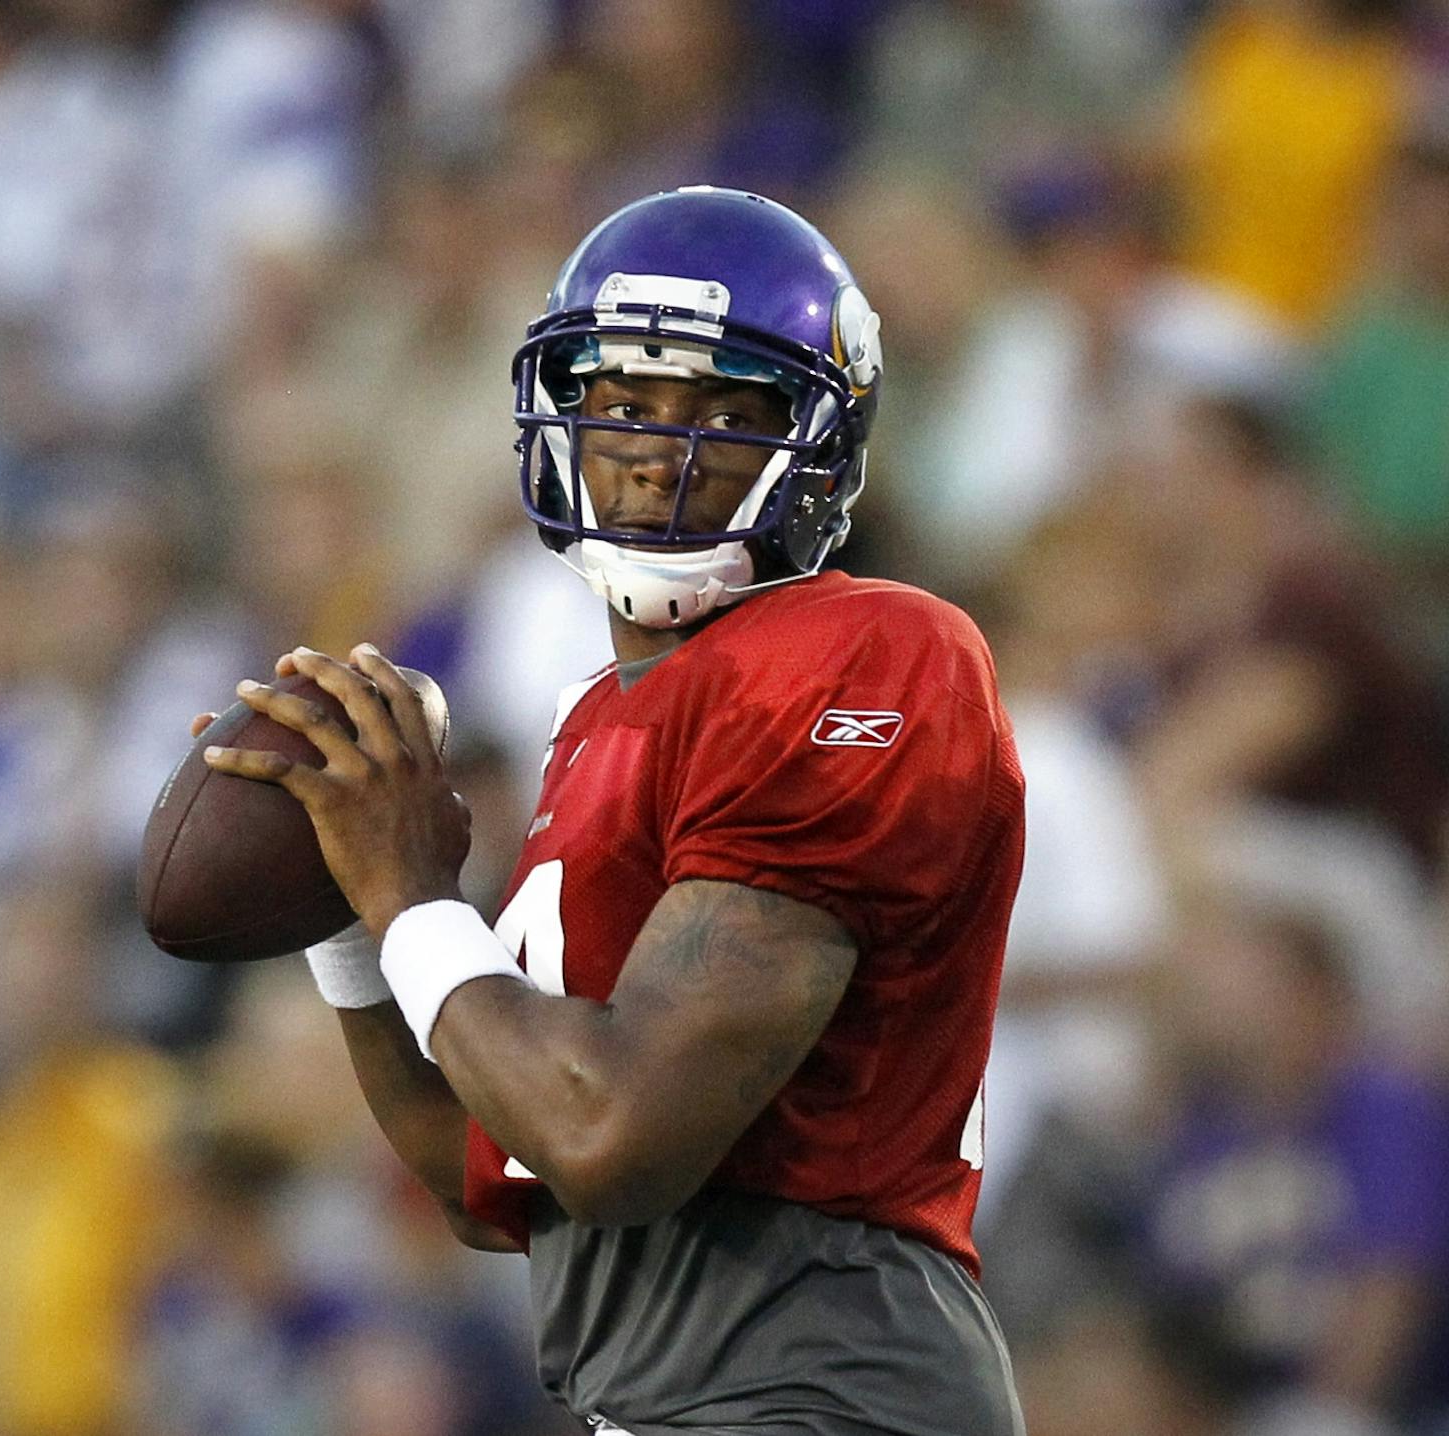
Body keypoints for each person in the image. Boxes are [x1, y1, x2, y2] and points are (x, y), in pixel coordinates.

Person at [200, 187, 1027, 1435]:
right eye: (625, 402)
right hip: (662, 1394)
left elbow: (609, 1135)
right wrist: (348, 912)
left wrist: (415, 898)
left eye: (724, 410)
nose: (657, 446)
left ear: (818, 438)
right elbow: (495, 1174)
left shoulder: (867, 649)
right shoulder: (596, 718)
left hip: (818, 1385)